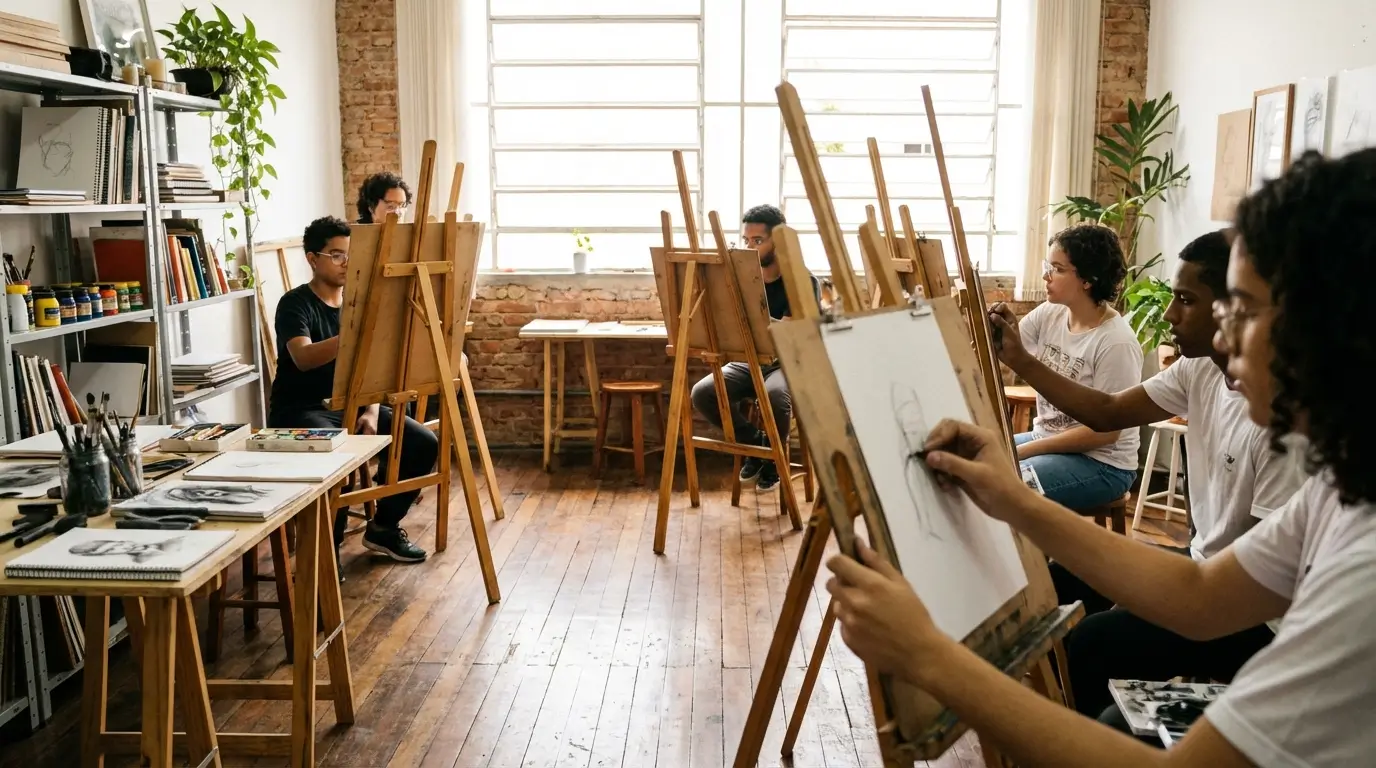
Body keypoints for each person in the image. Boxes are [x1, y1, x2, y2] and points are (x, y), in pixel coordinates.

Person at [824, 148, 1376, 765]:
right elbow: (1200, 592)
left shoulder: (1366, 572)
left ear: (1332, 323)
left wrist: (928, 655)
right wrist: (1009, 496)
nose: (1221, 338)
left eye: (1241, 312)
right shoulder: (1347, 486)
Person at [989, 229, 1306, 717]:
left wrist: (1151, 597)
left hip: (1256, 615)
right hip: (1206, 569)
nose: (1168, 314)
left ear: (1235, 310)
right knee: (1063, 579)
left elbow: (1254, 585)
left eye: (1185, 299)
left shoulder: (1284, 425)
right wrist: (1021, 360)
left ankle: (1083, 737)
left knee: (1095, 639)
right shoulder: (1199, 369)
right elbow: (1106, 410)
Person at [268, 216, 437, 563]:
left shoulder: (358, 302)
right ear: (312, 258)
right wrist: (351, 336)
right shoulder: (294, 303)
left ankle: (384, 528)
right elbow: (302, 357)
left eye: (351, 254)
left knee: (422, 443)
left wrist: (372, 409)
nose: (346, 262)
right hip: (302, 409)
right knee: (339, 456)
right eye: (336, 254)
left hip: (354, 404)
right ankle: (326, 558)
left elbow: (374, 368)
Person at [1012, 224, 1143, 511]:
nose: (1046, 276)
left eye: (1057, 269)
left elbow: (1105, 433)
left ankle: (1036, 557)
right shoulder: (1052, 312)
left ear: (1087, 279)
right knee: (977, 456)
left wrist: (1022, 451)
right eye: (1049, 266)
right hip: (1048, 440)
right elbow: (1008, 347)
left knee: (1008, 482)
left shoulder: (1115, 342)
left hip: (1104, 464)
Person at [689, 204, 820, 492]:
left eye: (758, 241)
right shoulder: (743, 279)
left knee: (774, 395)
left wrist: (755, 318)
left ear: (779, 241)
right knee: (702, 393)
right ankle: (757, 446)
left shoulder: (802, 282)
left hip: (787, 363)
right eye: (746, 241)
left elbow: (784, 337)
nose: (750, 248)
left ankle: (773, 462)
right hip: (748, 361)